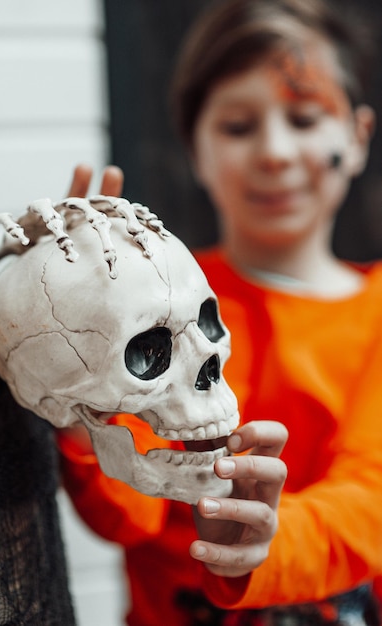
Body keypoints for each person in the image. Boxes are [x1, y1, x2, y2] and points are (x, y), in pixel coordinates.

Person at [57, 0, 382, 624]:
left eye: (305, 118)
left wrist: (265, 542)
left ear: (358, 137)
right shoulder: (150, 304)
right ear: (195, 148)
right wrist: (80, 387)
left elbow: (370, 502)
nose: (275, 152)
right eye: (238, 126)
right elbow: (130, 512)